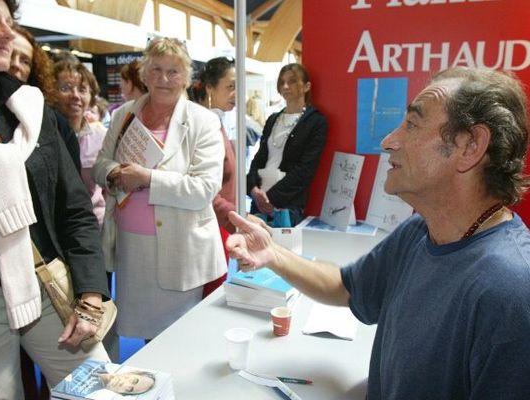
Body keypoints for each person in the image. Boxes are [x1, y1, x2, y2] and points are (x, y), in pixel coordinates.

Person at [227, 67, 530, 399]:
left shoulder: (511, 290)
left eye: (412, 125)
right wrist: (273, 253)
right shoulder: (418, 232)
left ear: (470, 146)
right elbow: (345, 286)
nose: (389, 141)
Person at [0, 1, 111, 399]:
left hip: (48, 289)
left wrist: (91, 294)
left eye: (9, 22)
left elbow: (74, 209)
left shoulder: (32, 112)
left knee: (105, 391)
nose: (7, 34)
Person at [92, 37, 226, 346]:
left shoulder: (203, 121)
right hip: (130, 250)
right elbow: (101, 165)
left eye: (173, 71)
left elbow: (204, 188)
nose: (163, 79)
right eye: (155, 69)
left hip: (179, 250)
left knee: (181, 340)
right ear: (143, 73)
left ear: (187, 77)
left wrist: (147, 178)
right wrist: (115, 173)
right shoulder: (123, 114)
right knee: (147, 342)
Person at [247, 63, 328, 227]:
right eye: (282, 82)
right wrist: (253, 190)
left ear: (306, 86)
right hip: (259, 201)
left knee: (283, 251)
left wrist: (272, 199)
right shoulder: (273, 119)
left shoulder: (316, 122)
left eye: (292, 81)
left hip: (287, 205)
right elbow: (259, 159)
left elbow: (305, 170)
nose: (285, 86)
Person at [8, 24, 81, 172]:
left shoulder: (50, 119)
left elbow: (71, 184)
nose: (16, 65)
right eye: (10, 55)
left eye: (25, 61)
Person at [53, 59, 106, 226]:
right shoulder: (42, 136)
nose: (75, 95)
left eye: (82, 89)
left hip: (95, 222)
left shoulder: (101, 136)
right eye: (65, 88)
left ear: (91, 97)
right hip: (57, 224)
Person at [189, 56, 237, 234]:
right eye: (230, 86)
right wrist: (234, 217)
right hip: (213, 225)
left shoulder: (217, 122)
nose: (236, 93)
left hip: (223, 222)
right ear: (209, 88)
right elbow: (202, 187)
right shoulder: (203, 128)